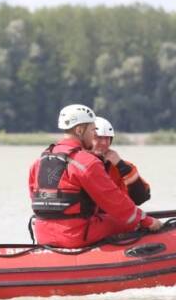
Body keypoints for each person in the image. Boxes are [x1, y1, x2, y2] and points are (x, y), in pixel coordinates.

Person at [29, 104, 162, 247]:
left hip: (42, 233)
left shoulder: (40, 161)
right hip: (76, 234)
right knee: (127, 222)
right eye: (93, 130)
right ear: (79, 130)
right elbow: (113, 200)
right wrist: (146, 220)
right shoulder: (86, 162)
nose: (94, 135)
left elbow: (34, 195)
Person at [92, 116, 150, 205]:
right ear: (87, 139)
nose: (104, 142)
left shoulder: (123, 167)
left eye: (107, 138)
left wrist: (121, 165)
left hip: (113, 216)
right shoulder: (75, 163)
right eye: (99, 137)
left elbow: (141, 198)